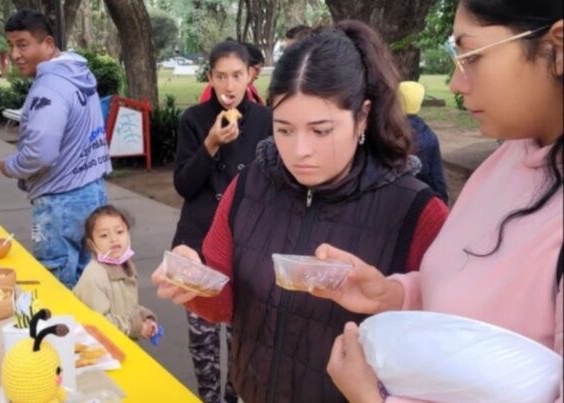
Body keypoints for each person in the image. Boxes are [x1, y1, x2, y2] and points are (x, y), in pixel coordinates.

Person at [153, 21, 449, 402]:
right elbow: (225, 305)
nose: (299, 151)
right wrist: (191, 280)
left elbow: (446, 348)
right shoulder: (249, 186)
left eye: (321, 131)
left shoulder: (416, 211)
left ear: (362, 117)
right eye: (284, 129)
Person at [306, 2, 563, 403]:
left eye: (472, 56)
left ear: (558, 46)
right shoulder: (506, 160)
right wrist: (393, 295)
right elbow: (473, 301)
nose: (457, 83)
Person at [173, 40, 273, 403]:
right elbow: (184, 185)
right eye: (220, 76)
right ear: (210, 77)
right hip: (197, 243)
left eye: (236, 75)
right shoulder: (194, 120)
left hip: (245, 245)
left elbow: (272, 185)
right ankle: (208, 397)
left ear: (250, 75)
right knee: (202, 337)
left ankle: (233, 397)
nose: (229, 86)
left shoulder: (266, 120)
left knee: (239, 337)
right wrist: (211, 144)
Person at [0, 9, 111, 289]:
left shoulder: (49, 88)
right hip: (92, 192)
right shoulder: (79, 74)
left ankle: (64, 333)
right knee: (91, 283)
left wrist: (10, 165)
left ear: (47, 44)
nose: (15, 55)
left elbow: (41, 153)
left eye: (23, 44)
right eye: (11, 45)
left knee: (58, 287)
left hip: (58, 203)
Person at [73, 205, 158, 340]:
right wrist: (136, 326)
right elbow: (100, 323)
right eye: (104, 235)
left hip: (122, 342)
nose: (114, 239)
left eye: (119, 232)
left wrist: (144, 317)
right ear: (92, 244)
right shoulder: (94, 276)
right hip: (104, 349)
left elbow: (128, 305)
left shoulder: (125, 266)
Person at [399, 81, 449, 202]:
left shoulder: (383, 133)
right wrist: (442, 203)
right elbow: (436, 177)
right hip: (420, 199)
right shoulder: (429, 136)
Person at [199, 41, 265, 105]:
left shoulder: (251, 89)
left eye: (236, 76)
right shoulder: (212, 93)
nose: (257, 76)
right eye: (257, 69)